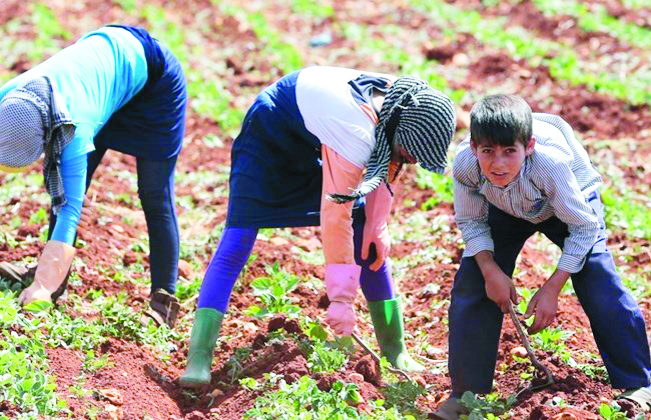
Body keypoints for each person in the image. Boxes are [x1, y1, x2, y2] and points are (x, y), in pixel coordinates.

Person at [178, 66, 457, 387]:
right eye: (413, 153)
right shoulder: (358, 131)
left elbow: (389, 162)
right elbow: (336, 213)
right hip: (271, 131)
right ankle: (199, 356)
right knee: (239, 237)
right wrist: (341, 299)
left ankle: (396, 351)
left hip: (316, 136)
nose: (414, 161)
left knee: (368, 241)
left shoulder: (403, 106)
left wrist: (378, 227)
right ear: (400, 132)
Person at [433, 94, 651, 419]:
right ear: (474, 146)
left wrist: (553, 287)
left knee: (597, 280)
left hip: (568, 208)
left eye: (510, 151)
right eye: (487, 151)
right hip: (503, 206)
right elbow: (471, 221)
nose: (498, 163)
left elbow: (582, 228)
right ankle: (466, 394)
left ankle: (638, 383)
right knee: (474, 284)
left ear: (529, 146)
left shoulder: (551, 165)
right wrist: (490, 269)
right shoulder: (466, 165)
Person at [0, 25, 187, 328]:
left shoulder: (76, 130)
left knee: (154, 193)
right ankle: (51, 274)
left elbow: (70, 208)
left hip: (156, 85)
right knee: (72, 182)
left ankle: (164, 301)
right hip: (105, 74)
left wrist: (42, 288)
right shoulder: (10, 97)